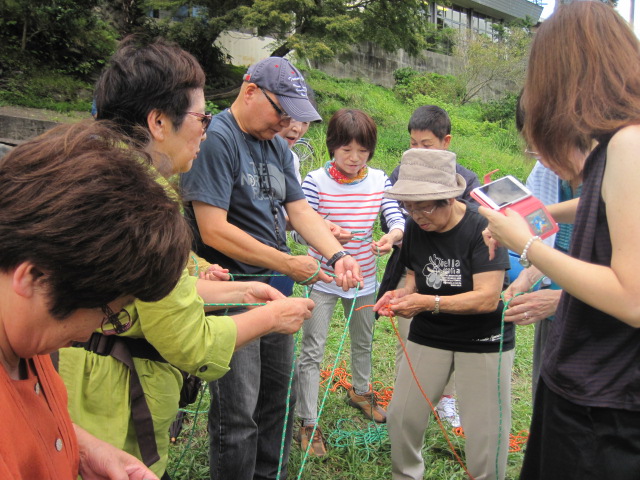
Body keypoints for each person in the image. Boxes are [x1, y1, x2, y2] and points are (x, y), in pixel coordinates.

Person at [58, 38, 314, 480]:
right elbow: (186, 338)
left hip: (72, 390)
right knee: (237, 414)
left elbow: (151, 284)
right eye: (200, 117)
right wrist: (272, 315)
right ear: (159, 121)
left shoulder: (92, 169)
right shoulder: (140, 200)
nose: (204, 128)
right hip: (103, 400)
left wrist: (238, 287)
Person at [180, 57, 362, 480]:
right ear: (249, 91)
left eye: (292, 116)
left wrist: (336, 255)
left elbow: (299, 210)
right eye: (280, 111)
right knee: (238, 410)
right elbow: (213, 230)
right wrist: (287, 262)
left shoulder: (276, 146)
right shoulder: (217, 139)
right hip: (231, 292)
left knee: (275, 398)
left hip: (278, 288)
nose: (285, 124)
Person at [480, 3, 640, 479]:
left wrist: (527, 244)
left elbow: (633, 297)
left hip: (604, 403)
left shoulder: (628, 145)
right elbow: (610, 208)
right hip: (592, 387)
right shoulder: (617, 142)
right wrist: (544, 212)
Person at [0, 120, 191, 480]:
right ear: (35, 278)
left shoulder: (23, 338)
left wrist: (81, 446)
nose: (97, 331)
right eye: (109, 314)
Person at [374, 148, 512, 480]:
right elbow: (413, 278)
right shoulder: (415, 225)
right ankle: (406, 474)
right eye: (408, 206)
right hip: (430, 333)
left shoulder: (484, 228)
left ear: (449, 199)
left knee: (485, 433)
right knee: (402, 416)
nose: (416, 215)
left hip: (482, 338)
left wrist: (427, 303)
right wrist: (401, 295)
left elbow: (487, 299)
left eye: (423, 206)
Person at [294, 109, 405, 456]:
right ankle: (308, 422)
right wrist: (327, 232)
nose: (355, 159)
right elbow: (299, 231)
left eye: (363, 151)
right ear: (332, 147)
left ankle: (360, 391)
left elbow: (394, 215)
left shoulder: (380, 180)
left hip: (365, 279)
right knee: (312, 349)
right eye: (346, 151)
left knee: (363, 339)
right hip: (323, 277)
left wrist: (394, 236)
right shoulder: (313, 181)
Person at [377, 104, 482, 428]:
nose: (418, 151)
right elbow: (389, 208)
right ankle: (404, 400)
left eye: (427, 145)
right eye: (413, 143)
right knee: (409, 337)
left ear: (445, 142)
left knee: (446, 337)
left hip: (449, 276)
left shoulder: (464, 179)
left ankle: (446, 399)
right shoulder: (401, 173)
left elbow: (469, 224)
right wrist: (396, 230)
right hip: (410, 269)